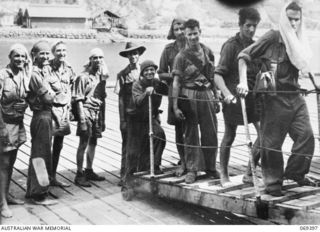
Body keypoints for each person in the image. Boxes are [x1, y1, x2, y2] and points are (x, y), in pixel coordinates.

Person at [238, 2, 316, 196]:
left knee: (306, 136)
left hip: (295, 96)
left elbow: (304, 64)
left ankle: (295, 173)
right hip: (273, 99)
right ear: (283, 18)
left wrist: (315, 84)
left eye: (297, 20)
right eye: (290, 19)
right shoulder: (273, 37)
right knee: (272, 144)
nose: (293, 23)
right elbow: (243, 55)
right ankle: (273, 184)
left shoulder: (299, 39)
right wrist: (242, 82)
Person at [214, 8, 262, 187]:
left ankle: (249, 172)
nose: (251, 30)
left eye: (254, 26)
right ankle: (224, 175)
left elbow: (262, 71)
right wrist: (226, 94)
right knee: (229, 136)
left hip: (253, 99)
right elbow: (217, 75)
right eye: (248, 25)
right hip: (234, 99)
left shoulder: (257, 47)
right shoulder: (230, 46)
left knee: (263, 134)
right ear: (240, 25)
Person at [172, 19, 219, 184]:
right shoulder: (181, 56)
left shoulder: (208, 52)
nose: (193, 37)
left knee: (211, 131)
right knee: (191, 133)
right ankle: (192, 169)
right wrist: (175, 105)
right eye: (189, 34)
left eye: (195, 33)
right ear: (185, 35)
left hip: (206, 93)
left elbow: (212, 76)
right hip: (189, 95)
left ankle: (211, 167)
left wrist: (216, 96)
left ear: (200, 32)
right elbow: (176, 82)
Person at [123, 60, 167, 188]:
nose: (149, 72)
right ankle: (128, 180)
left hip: (149, 118)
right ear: (142, 73)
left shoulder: (157, 83)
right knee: (133, 151)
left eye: (152, 70)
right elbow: (137, 101)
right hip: (135, 120)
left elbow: (168, 91)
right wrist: (145, 93)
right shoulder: (137, 84)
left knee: (159, 135)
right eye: (146, 70)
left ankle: (154, 165)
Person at [26, 40, 59, 205]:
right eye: (42, 53)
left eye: (48, 53)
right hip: (41, 115)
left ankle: (33, 189)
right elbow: (49, 97)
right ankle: (39, 194)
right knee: (41, 154)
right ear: (34, 55)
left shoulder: (43, 72)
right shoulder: (35, 74)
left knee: (39, 152)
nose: (46, 56)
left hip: (46, 115)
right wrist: (53, 91)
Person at [0, 44, 30, 217]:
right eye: (16, 56)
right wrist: (2, 128)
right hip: (4, 125)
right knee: (3, 165)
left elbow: (25, 98)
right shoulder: (2, 75)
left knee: (11, 163)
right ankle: (2, 203)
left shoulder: (23, 75)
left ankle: (5, 195)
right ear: (10, 57)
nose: (20, 59)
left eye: (23, 56)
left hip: (18, 124)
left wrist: (25, 104)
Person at [73, 48, 108, 187]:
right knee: (83, 143)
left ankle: (89, 170)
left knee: (93, 142)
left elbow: (102, 97)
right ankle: (79, 173)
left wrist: (103, 119)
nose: (98, 60)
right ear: (90, 60)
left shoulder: (100, 76)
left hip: (97, 113)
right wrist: (82, 120)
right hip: (86, 113)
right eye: (95, 58)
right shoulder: (83, 77)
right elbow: (78, 100)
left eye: (100, 57)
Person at [158, 18, 188, 177]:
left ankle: (193, 161)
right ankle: (183, 161)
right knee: (179, 129)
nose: (180, 32)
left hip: (192, 92)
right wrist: (175, 75)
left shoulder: (195, 47)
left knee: (192, 128)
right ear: (172, 31)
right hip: (175, 93)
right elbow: (160, 72)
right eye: (176, 29)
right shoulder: (168, 49)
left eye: (182, 28)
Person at [116, 42, 146, 186]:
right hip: (129, 114)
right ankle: (124, 175)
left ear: (139, 55)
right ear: (127, 56)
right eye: (130, 54)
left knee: (143, 143)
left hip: (143, 113)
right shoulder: (122, 74)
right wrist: (122, 120)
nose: (133, 56)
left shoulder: (145, 71)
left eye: (135, 53)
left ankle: (141, 173)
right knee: (127, 144)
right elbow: (121, 99)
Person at [49, 41, 76, 188]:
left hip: (64, 111)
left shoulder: (69, 69)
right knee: (46, 145)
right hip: (50, 111)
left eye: (64, 50)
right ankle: (43, 178)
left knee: (59, 145)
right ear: (53, 52)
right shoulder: (47, 68)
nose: (62, 53)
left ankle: (53, 176)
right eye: (58, 50)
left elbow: (71, 87)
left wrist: (70, 107)